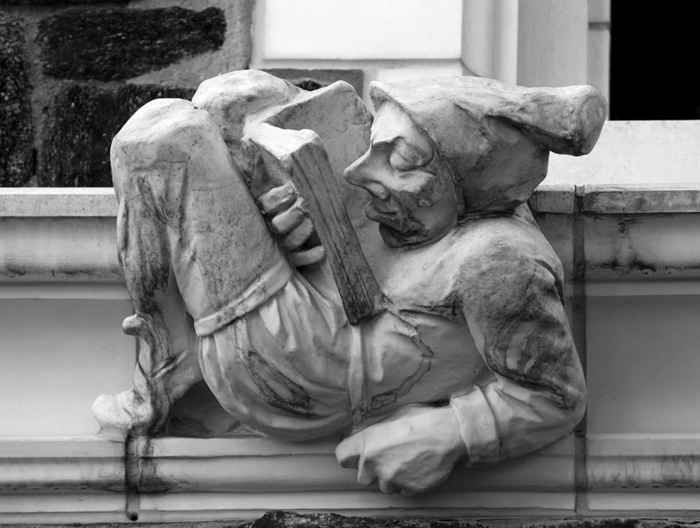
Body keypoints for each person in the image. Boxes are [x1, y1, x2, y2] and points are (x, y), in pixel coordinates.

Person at [94, 71, 606, 495]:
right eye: (371, 145)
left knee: (163, 142)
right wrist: (299, 227)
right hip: (306, 319)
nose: (359, 173)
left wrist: (444, 434)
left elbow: (557, 395)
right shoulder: (420, 217)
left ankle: (170, 362)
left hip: (295, 368)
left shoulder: (498, 259)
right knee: (227, 100)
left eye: (400, 160)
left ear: (466, 183)